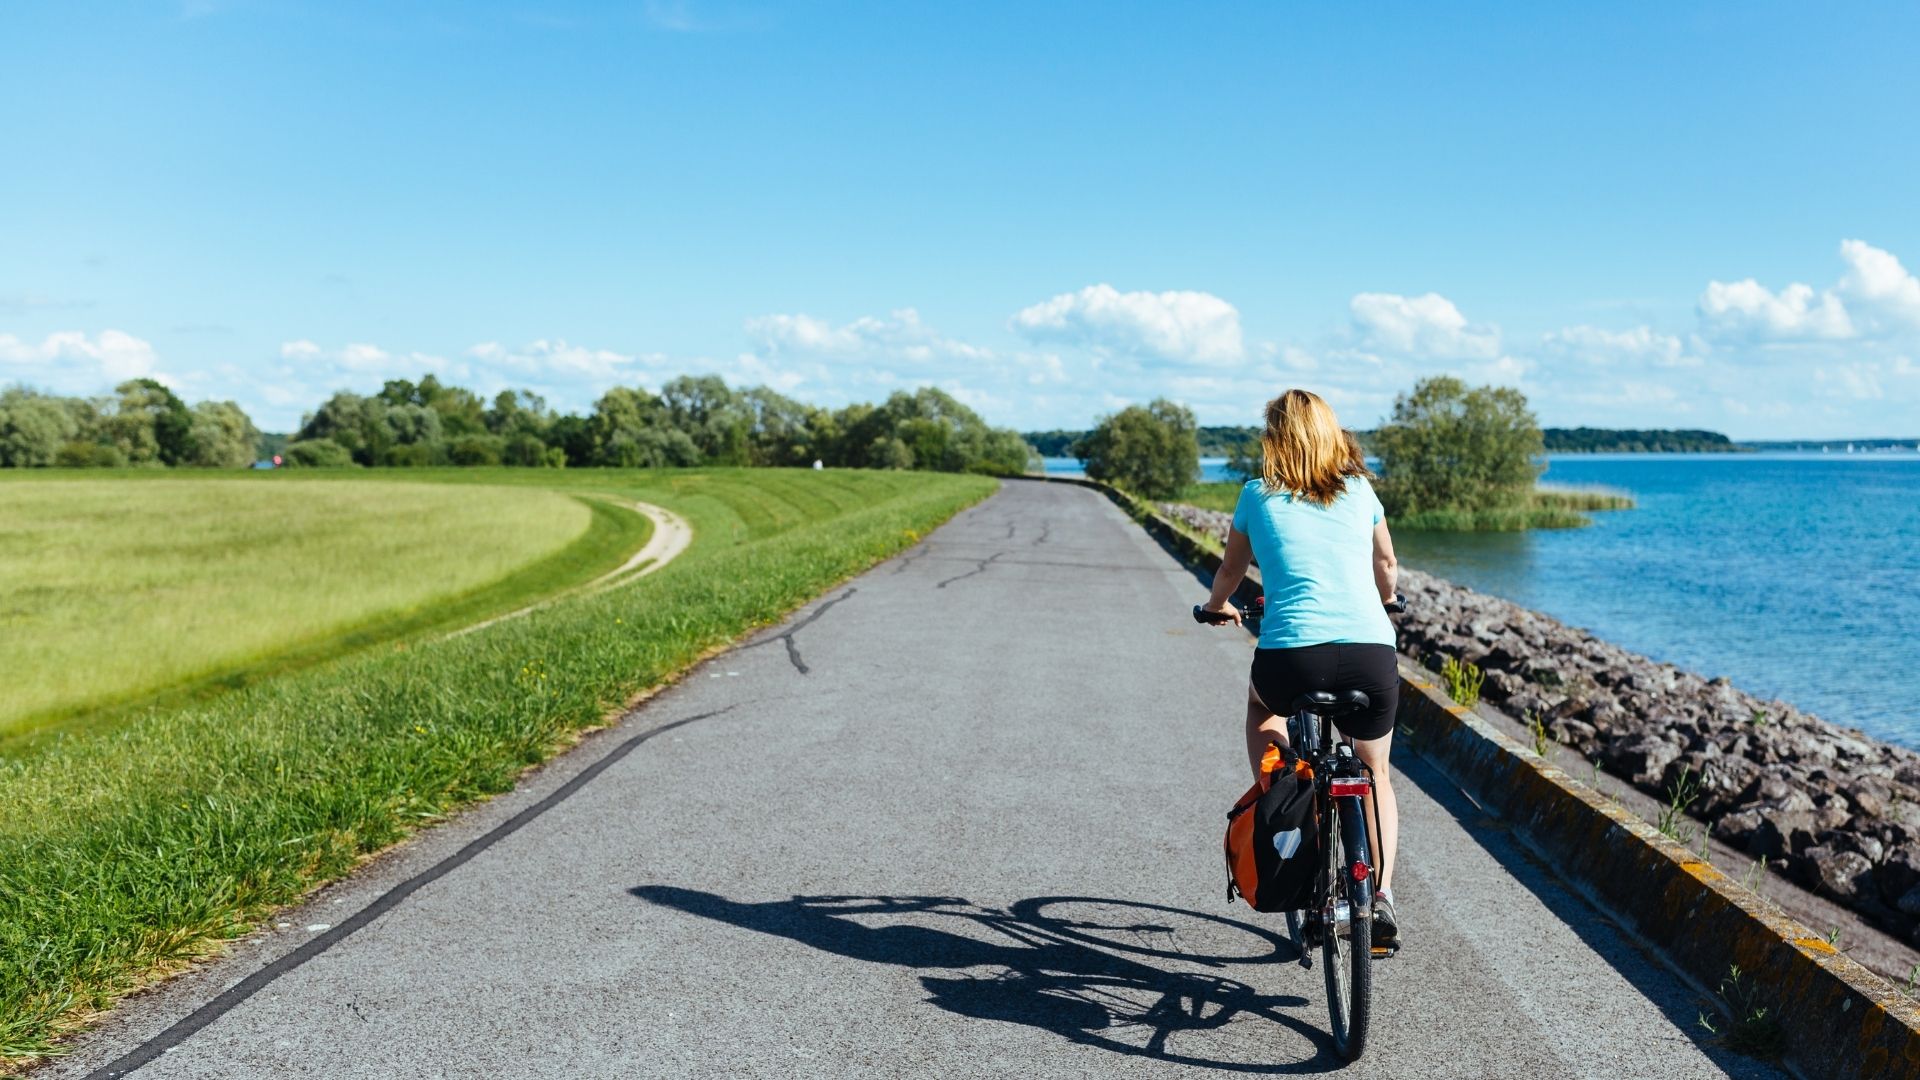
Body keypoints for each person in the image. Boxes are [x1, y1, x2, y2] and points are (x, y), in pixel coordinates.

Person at [1197, 388, 1404, 943]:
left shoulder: (1256, 495)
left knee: (1261, 706)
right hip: (1369, 656)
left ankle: (1282, 783)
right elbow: (1386, 563)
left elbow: (1229, 574)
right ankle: (1379, 896)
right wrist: (1387, 602)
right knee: (1375, 771)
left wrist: (1217, 609)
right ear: (1332, 435)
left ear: (1274, 439)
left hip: (1292, 660)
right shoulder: (1360, 490)